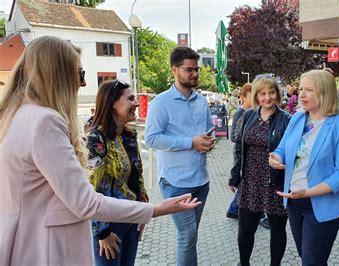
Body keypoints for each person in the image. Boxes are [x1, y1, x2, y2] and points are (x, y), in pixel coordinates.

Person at [0, 36, 201, 265]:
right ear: (58, 75)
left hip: (28, 241)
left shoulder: (16, 115)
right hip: (44, 247)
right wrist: (153, 210)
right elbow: (85, 201)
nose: (82, 84)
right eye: (80, 74)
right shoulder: (45, 121)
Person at [269, 70, 339, 265]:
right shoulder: (298, 118)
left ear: (325, 92)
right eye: (301, 89)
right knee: (307, 257)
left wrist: (308, 192)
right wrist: (275, 157)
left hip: (322, 204)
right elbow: (282, 148)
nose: (301, 94)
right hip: (293, 202)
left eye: (309, 90)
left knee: (311, 261)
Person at [144, 46, 215, 266]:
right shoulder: (161, 103)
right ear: (174, 70)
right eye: (189, 70)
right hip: (175, 182)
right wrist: (191, 143)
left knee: (190, 236)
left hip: (201, 181)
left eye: (196, 70)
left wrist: (208, 142)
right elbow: (151, 139)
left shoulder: (202, 102)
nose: (194, 74)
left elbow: (206, 132)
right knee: (188, 236)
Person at [229, 76, 291, 266]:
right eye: (263, 93)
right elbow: (239, 147)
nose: (267, 98)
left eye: (271, 92)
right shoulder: (248, 115)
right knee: (245, 229)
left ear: (277, 94)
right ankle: (244, 263)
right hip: (250, 179)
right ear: (256, 95)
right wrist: (234, 176)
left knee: (277, 229)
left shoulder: (286, 119)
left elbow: (292, 150)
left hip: (275, 180)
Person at [86, 80, 149, 265]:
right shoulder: (96, 139)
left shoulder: (129, 136)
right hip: (109, 223)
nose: (136, 104)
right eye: (130, 99)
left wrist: (143, 210)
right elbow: (90, 188)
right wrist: (102, 232)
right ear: (113, 103)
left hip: (131, 218)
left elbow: (137, 175)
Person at [227, 83, 253, 219]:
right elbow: (234, 136)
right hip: (240, 151)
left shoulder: (253, 112)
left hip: (248, 152)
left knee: (245, 181)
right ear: (243, 97)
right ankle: (233, 209)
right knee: (242, 180)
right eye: (251, 96)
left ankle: (233, 209)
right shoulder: (240, 113)